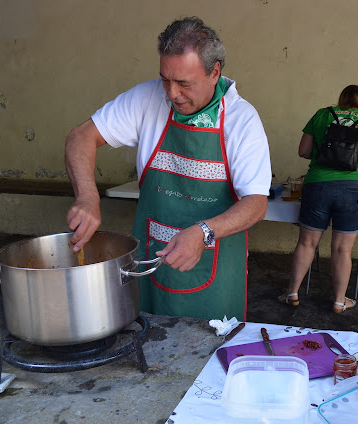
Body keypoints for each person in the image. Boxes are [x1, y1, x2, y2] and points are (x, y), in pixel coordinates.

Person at [65, 17, 271, 321]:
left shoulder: (242, 120)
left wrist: (203, 233)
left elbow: (256, 204)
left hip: (214, 264)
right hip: (151, 257)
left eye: (184, 83)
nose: (172, 93)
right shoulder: (146, 99)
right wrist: (86, 196)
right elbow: (81, 137)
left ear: (215, 72)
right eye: (165, 79)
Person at [278, 85, 358, 313]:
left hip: (318, 184)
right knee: (342, 249)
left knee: (307, 242)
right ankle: (339, 301)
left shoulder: (322, 114)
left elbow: (303, 151)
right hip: (355, 189)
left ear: (342, 97)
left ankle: (292, 293)